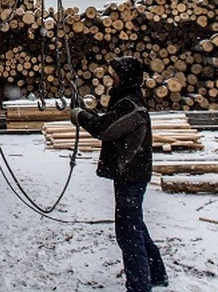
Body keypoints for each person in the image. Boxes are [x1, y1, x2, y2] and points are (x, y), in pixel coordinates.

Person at [71, 56, 168, 291]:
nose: (110, 78)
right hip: (131, 174)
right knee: (135, 226)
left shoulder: (130, 104)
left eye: (114, 74)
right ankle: (155, 274)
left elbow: (105, 128)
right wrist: (82, 110)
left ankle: (139, 285)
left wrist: (80, 116)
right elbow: (107, 121)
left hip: (131, 175)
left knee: (128, 233)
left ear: (125, 77)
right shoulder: (125, 100)